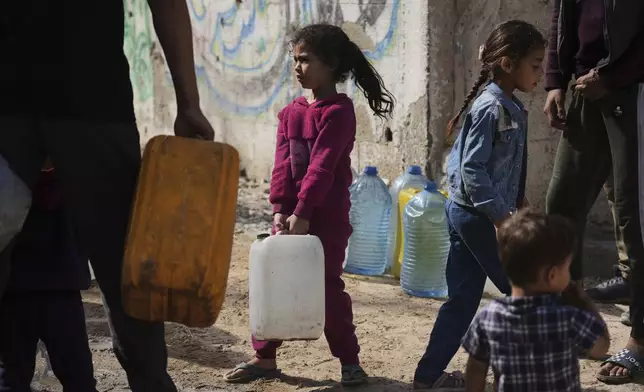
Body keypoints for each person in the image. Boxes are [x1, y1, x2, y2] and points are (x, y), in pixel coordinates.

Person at [0, 1, 215, 390]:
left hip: (89, 106)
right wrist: (187, 102)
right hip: (79, 106)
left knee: (126, 268)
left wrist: (190, 102)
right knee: (123, 269)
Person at [223, 23, 395, 386]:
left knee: (326, 285)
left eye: (306, 60)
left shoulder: (339, 112)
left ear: (331, 64)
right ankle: (264, 358)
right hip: (290, 217)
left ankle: (349, 361)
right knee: (274, 282)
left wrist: (303, 212)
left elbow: (323, 167)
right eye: (294, 60)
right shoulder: (290, 113)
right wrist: (281, 210)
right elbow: (282, 166)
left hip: (327, 217)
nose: (297, 67)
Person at [412, 20, 546, 390]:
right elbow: (471, 169)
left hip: (471, 214)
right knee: (522, 289)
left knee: (463, 299)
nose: (541, 72)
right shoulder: (490, 108)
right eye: (535, 65)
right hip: (475, 217)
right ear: (507, 63)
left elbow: (500, 168)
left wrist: (518, 204)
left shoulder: (511, 107)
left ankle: (427, 377)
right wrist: (501, 217)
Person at [543, 0, 644, 383]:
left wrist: (615, 75)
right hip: (586, 87)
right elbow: (561, 16)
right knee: (562, 205)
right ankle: (575, 315)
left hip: (634, 90)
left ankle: (641, 339)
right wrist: (555, 80)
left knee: (635, 216)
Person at [462, 210, 610, 392]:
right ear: (553, 274)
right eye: (568, 267)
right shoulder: (569, 318)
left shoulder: (488, 318)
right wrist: (583, 300)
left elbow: (476, 368)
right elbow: (601, 348)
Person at [0, 162, 98, 391]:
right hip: (60, 286)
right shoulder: (72, 168)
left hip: (13, 287)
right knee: (78, 378)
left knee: (11, 378)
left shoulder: (10, 166)